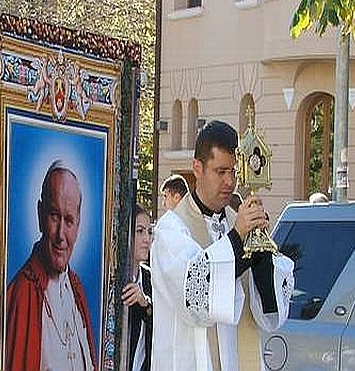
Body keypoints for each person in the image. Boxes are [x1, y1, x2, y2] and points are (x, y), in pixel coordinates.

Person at [150, 120, 294, 371]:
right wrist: (237, 239)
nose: (230, 182)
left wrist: (261, 255)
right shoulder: (171, 230)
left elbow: (268, 313)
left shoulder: (235, 223)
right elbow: (195, 294)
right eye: (221, 171)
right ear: (197, 168)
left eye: (234, 172)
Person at [4, 159, 96, 371]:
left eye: (69, 220)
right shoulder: (22, 292)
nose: (61, 235)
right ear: (40, 214)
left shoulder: (76, 289)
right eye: (54, 216)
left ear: (78, 224)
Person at [122, 204, 153, 371]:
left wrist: (144, 302)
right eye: (140, 231)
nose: (147, 239)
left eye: (149, 232)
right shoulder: (115, 279)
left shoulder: (151, 279)